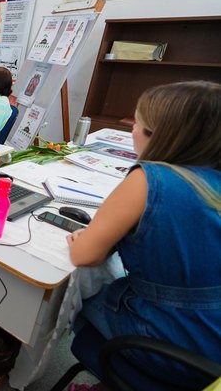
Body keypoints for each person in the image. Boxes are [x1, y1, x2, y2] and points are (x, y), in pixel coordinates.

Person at [66, 81, 221, 389]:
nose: (132, 129)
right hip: (211, 341)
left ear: (160, 136)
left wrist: (87, 238)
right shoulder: (211, 179)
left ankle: (113, 378)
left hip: (172, 342)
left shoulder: (148, 180)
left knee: (72, 298)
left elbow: (84, 254)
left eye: (137, 123)